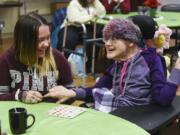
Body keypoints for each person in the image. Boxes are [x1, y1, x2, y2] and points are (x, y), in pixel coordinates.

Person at [44, 18, 180, 113]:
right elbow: (97, 90)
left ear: (131, 41)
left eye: (114, 39)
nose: (107, 43)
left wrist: (177, 69)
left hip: (136, 119)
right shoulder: (118, 63)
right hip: (117, 113)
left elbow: (163, 99)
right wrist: (72, 92)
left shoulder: (151, 60)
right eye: (106, 39)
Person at [0, 13, 73, 104]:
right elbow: (1, 96)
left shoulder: (58, 58)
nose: (46, 44)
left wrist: (68, 94)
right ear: (23, 42)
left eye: (48, 37)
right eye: (40, 40)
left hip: (53, 114)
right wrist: (19, 95)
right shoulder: (6, 60)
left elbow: (71, 92)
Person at [57, 0, 106, 70]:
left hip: (86, 28)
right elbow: (74, 19)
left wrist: (96, 1)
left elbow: (102, 13)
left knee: (93, 40)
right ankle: (62, 65)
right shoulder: (74, 3)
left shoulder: (93, 3)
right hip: (71, 26)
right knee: (70, 39)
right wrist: (91, 15)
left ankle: (88, 67)